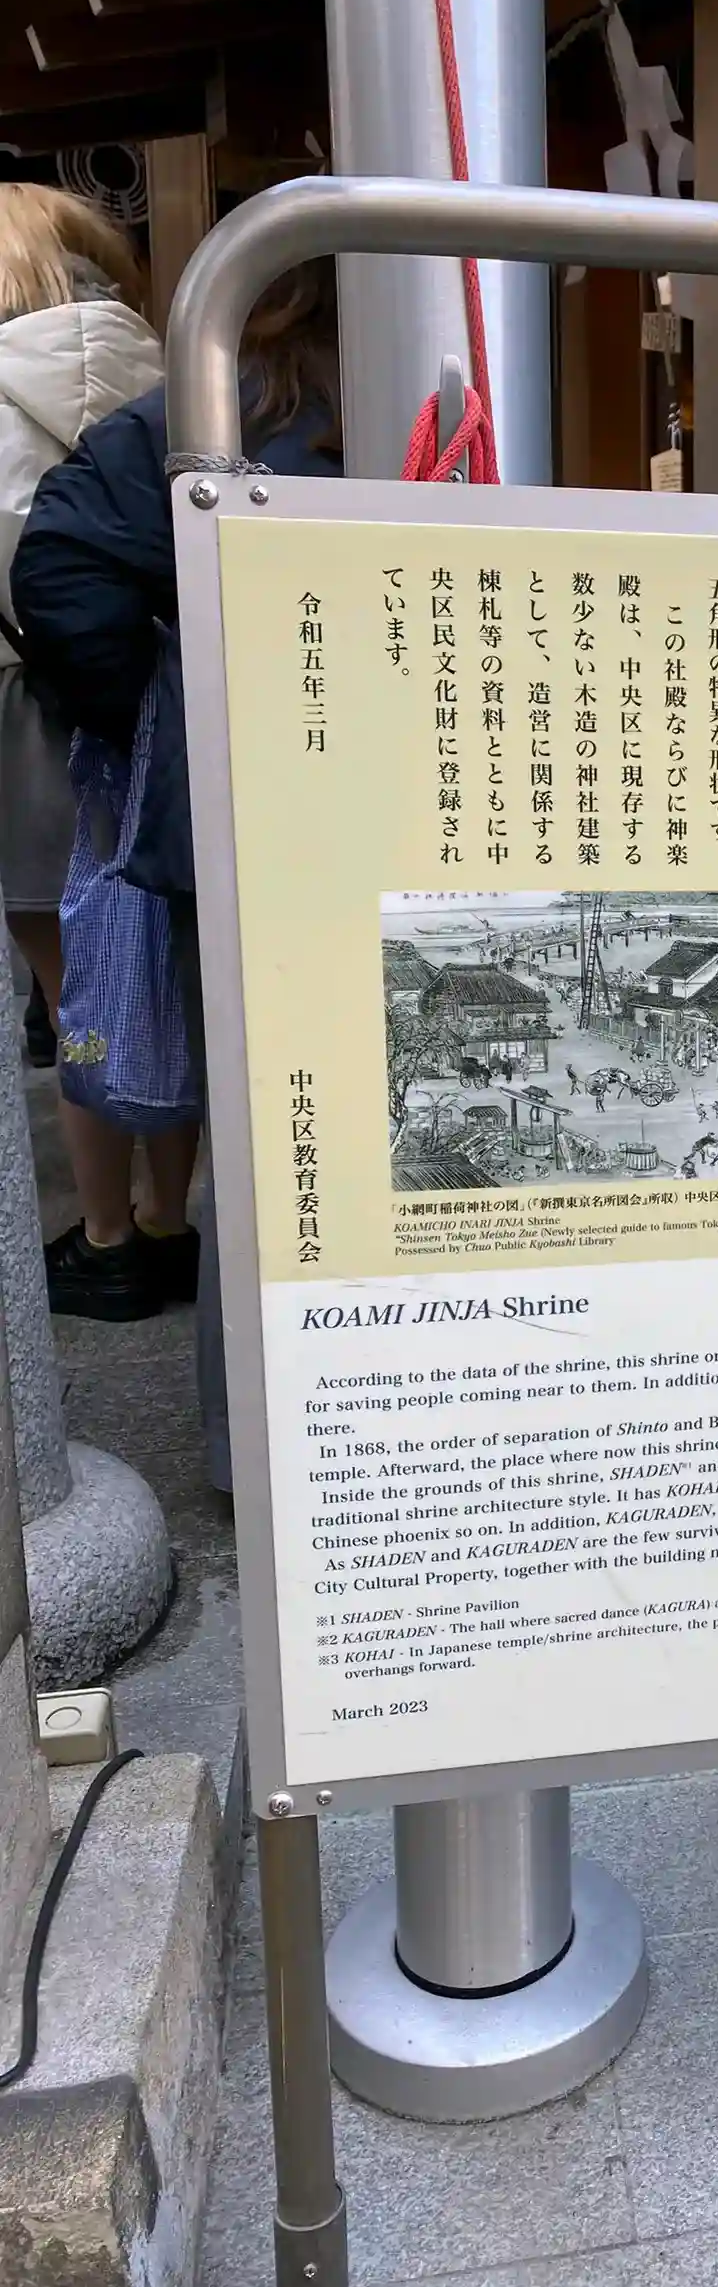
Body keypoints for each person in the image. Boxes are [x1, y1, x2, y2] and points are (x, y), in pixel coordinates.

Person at [13, 263, 340, 1444]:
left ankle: (254, 1415)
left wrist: (161, 725)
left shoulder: (222, 395)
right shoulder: (245, 391)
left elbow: (57, 566)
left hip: (236, 805)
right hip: (361, 803)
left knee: (251, 1104)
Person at [0, 185, 168, 1312]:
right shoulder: (180, 359)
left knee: (78, 994)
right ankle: (169, 1217)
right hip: (167, 696)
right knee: (167, 965)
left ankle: (106, 1239)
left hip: (28, 715)